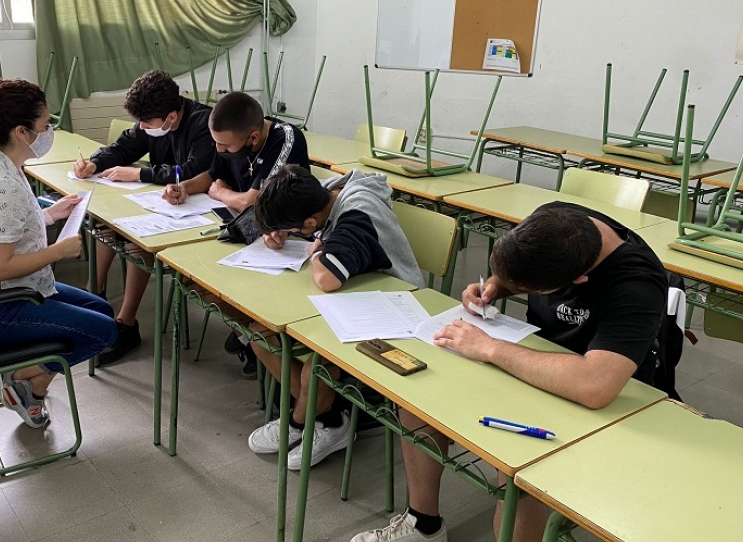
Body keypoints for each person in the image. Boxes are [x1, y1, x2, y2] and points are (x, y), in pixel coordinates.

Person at [351, 202, 667, 542]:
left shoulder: (637, 283)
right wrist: (495, 287)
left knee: (517, 463)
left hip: (603, 396)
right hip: (533, 357)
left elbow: (595, 385)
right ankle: (423, 524)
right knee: (419, 398)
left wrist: (491, 348)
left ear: (578, 280)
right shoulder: (553, 221)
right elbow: (517, 274)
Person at [0, 79, 118, 429]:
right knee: (104, 332)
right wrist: (57, 251)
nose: (48, 132)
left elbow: (5, 230)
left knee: (102, 311)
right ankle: (29, 379)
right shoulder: (1, 183)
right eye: (45, 126)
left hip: (3, 293)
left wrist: (50, 215)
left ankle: (26, 377)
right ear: (21, 132)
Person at [248, 165, 424, 470]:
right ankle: (327, 418)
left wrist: (316, 251)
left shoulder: (357, 210)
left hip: (395, 309)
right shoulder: (323, 193)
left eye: (294, 231)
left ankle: (301, 423)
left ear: (310, 222)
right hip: (354, 298)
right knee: (260, 335)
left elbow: (328, 278)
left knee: (316, 364)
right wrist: (277, 232)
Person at [162, 91, 311, 378]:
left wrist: (221, 193)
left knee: (222, 281)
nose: (219, 150)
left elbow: (254, 201)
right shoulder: (229, 143)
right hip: (249, 230)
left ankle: (257, 341)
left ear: (253, 138)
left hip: (287, 238)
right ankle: (247, 337)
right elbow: (211, 176)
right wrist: (183, 188)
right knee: (195, 279)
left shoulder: (285, 139)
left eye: (225, 146)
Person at [73, 70, 215, 364]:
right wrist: (95, 163)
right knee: (106, 224)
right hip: (163, 204)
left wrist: (139, 174)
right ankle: (93, 297)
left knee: (137, 243)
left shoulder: (203, 124)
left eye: (147, 123)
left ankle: (126, 324)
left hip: (198, 212)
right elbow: (123, 147)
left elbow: (193, 171)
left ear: (171, 118)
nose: (141, 127)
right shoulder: (152, 122)